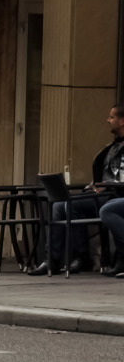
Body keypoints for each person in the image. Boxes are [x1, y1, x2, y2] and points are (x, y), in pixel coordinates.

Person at [30, 103, 124, 276]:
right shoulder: (111, 147)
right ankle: (53, 260)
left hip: (114, 195)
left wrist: (103, 186)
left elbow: (120, 178)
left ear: (122, 121)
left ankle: (82, 257)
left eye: (111, 117)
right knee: (59, 205)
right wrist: (92, 186)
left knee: (72, 205)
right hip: (103, 193)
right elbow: (105, 174)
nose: (107, 120)